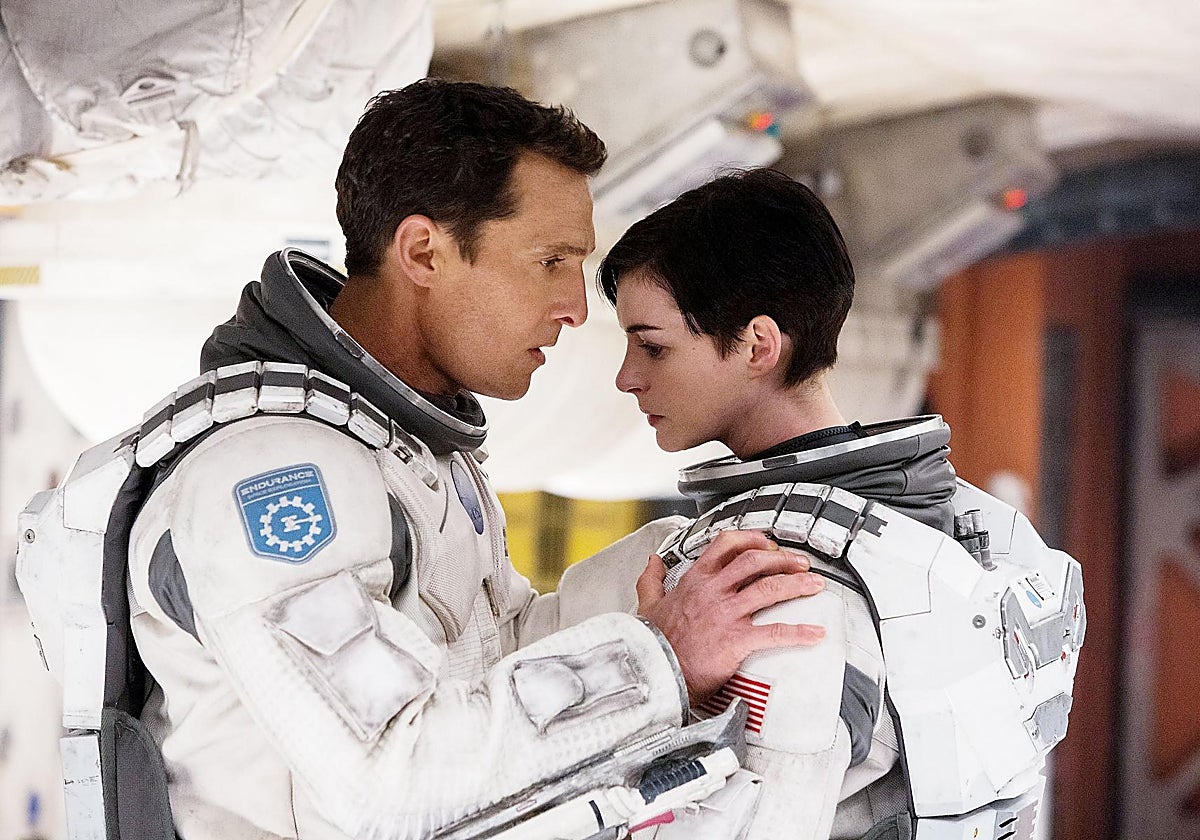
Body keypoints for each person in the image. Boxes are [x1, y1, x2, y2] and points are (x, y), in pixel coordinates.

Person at [20, 83, 831, 840]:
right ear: (424, 252)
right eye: (551, 261)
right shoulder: (269, 476)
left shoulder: (405, 454)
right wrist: (656, 657)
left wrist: (695, 558)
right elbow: (386, 774)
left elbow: (498, 660)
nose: (574, 306)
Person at [593, 169, 1085, 840]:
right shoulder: (977, 532)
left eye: (653, 346)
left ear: (758, 345)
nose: (627, 377)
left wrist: (655, 671)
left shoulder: (767, 583)